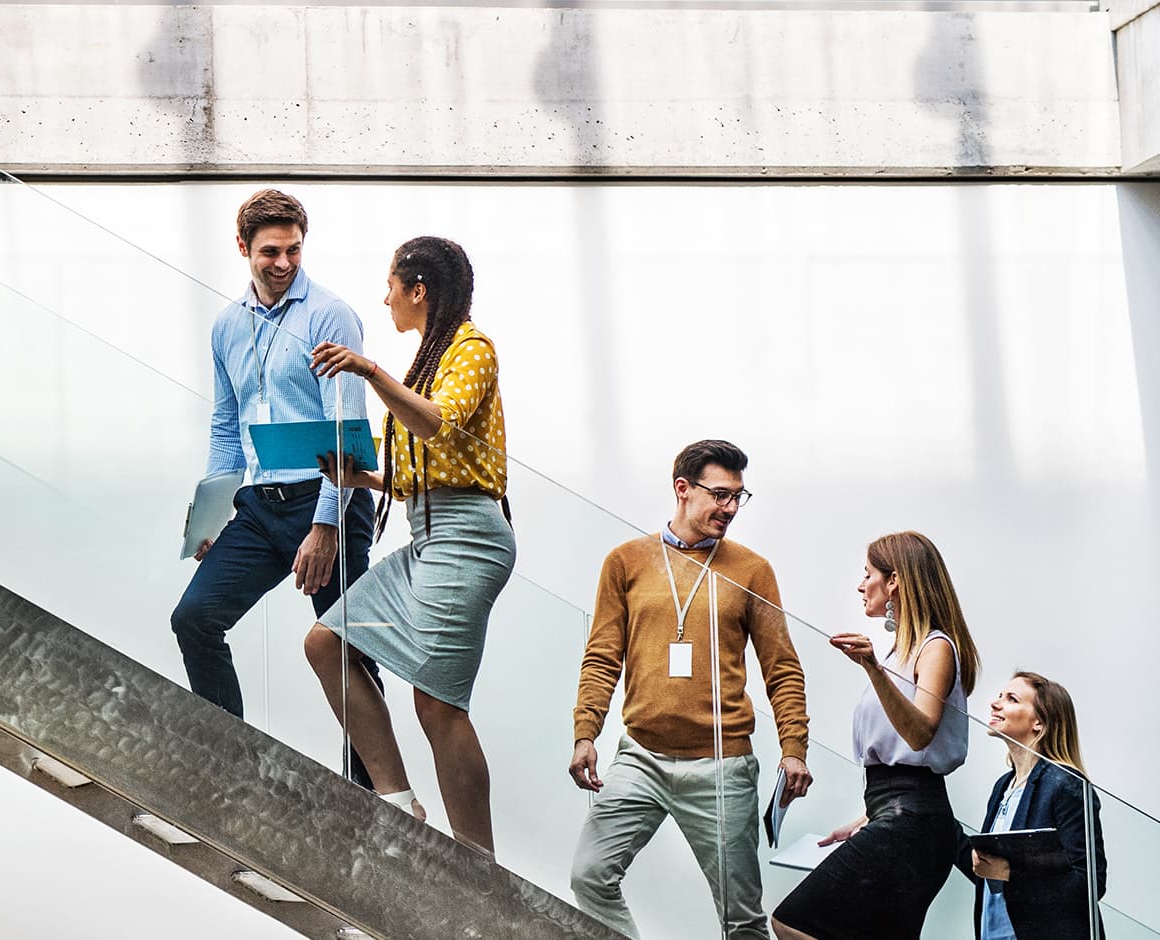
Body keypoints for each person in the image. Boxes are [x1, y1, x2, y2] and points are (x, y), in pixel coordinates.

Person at [304, 235, 512, 853]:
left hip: (468, 536)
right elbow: (430, 463)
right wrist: (362, 478)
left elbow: (437, 424)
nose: (385, 297)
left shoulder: (473, 347)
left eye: (391, 285)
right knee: (326, 642)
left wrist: (369, 369)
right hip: (427, 532)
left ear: (418, 290)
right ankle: (396, 801)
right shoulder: (433, 352)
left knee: (438, 704)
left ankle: (479, 862)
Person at [169, 190, 384, 787]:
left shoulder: (330, 316)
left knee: (350, 653)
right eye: (270, 251)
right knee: (194, 618)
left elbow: (347, 429)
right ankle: (229, 767)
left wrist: (325, 526)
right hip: (259, 509)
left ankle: (372, 798)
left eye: (293, 249)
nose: (283, 262)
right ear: (243, 249)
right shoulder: (227, 326)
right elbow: (225, 425)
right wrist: (211, 517)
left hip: (329, 503)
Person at [567, 439, 814, 939]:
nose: (730, 509)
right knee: (589, 875)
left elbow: (782, 666)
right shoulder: (626, 562)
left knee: (742, 919)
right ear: (682, 489)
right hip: (642, 758)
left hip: (723, 766)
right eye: (720, 495)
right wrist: (585, 733)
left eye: (738, 498)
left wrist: (794, 747)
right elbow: (601, 656)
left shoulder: (751, 570)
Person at [773, 531, 983, 940]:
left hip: (914, 824)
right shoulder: (902, 652)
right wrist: (867, 819)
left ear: (895, 581)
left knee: (791, 921)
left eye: (867, 573)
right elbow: (897, 765)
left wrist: (872, 668)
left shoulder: (935, 647)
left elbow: (920, 734)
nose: (860, 583)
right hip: (897, 815)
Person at [958, 671, 1107, 939]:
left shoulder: (1067, 785)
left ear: (1039, 722)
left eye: (1012, 699)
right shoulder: (1003, 786)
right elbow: (992, 873)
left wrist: (1010, 874)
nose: (995, 703)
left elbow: (1090, 883)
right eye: (1000, 696)